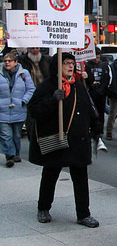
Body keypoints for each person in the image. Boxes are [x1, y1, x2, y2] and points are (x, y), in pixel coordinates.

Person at [28, 53, 100, 227]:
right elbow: (34, 110)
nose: (70, 66)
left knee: (81, 178)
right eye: (66, 63)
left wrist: (96, 127)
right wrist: (52, 100)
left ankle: (83, 214)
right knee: (50, 175)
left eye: (72, 63)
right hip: (58, 139)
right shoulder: (48, 86)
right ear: (57, 65)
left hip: (78, 141)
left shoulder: (78, 85)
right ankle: (43, 207)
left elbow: (88, 108)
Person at [1, 51, 35, 166]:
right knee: (6, 135)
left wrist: (23, 101)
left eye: (9, 61)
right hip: (3, 111)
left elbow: (31, 89)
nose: (7, 63)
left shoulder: (23, 74)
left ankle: (16, 154)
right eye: (5, 61)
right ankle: (9, 156)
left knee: (16, 135)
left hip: (18, 110)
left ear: (15, 62)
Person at [84, 48, 109, 136]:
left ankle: (100, 130)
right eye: (95, 57)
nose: (96, 60)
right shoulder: (87, 65)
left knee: (101, 112)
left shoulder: (103, 65)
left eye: (98, 57)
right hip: (91, 92)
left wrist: (102, 90)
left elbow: (106, 79)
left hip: (101, 93)